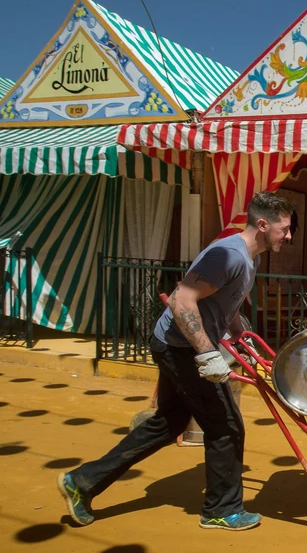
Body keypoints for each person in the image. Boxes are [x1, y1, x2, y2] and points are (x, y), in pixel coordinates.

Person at [58, 191, 294, 531]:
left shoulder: (250, 257)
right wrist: (208, 354)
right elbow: (183, 301)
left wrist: (241, 335)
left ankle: (80, 483)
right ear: (262, 225)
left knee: (167, 424)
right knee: (225, 426)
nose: (288, 236)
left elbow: (225, 304)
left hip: (177, 343)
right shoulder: (228, 255)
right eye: (284, 229)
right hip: (180, 348)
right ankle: (221, 510)